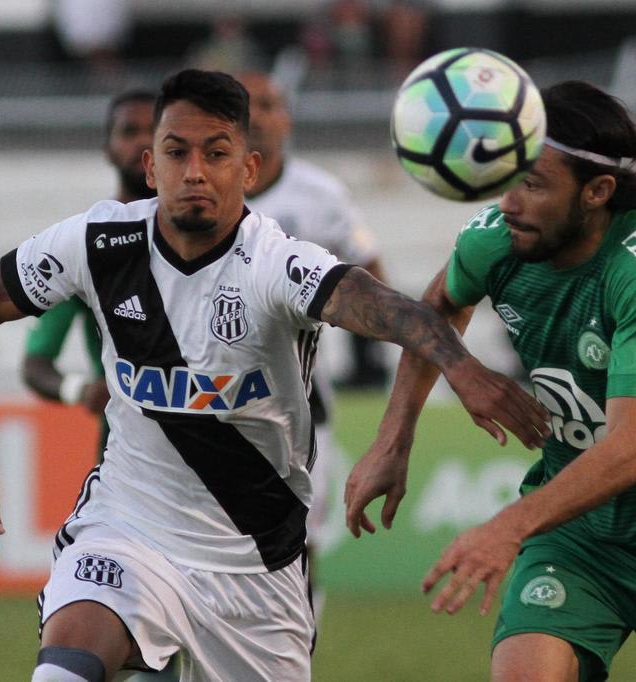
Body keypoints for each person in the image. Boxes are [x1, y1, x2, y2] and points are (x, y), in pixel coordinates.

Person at [0, 69, 547, 681]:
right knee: (65, 670)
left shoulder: (275, 263)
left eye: (217, 152)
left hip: (256, 562)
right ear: (150, 167)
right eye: (177, 152)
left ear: (249, 169)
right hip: (127, 530)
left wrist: (463, 366)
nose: (195, 171)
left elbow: (385, 307)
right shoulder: (98, 243)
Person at [344, 80, 636, 681]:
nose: (509, 203)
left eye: (534, 184)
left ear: (597, 192)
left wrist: (506, 529)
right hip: (574, 533)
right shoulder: (495, 238)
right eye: (508, 178)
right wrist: (408, 426)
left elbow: (631, 451)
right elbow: (438, 307)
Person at [239, 70, 386, 612]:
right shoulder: (199, 194)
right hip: (209, 401)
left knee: (299, 545)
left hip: (301, 404)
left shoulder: (320, 194)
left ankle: (293, 658)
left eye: (268, 103)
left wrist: (368, 351)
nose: (257, 114)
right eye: (245, 103)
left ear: (287, 118)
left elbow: (367, 270)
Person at [23, 89, 156, 454]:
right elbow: (36, 364)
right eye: (129, 131)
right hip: (123, 454)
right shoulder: (87, 247)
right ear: (108, 149)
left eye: (154, 130)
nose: (143, 141)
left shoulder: (209, 235)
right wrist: (80, 389)